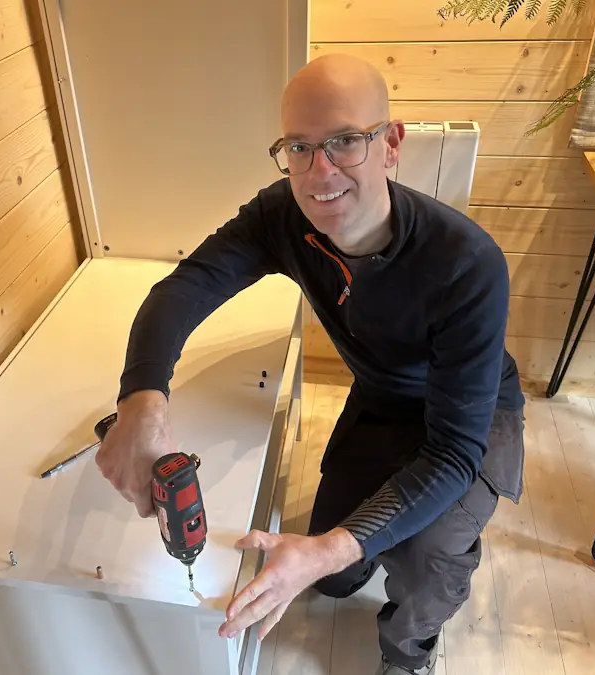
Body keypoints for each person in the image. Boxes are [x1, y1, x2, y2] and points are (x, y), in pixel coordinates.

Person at [95, 52, 525, 675]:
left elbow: (454, 453)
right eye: (298, 147)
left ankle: (410, 655)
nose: (320, 170)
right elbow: (183, 290)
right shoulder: (284, 216)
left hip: (473, 414)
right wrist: (141, 402)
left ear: (391, 144)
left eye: (345, 141)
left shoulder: (467, 263)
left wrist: (326, 547)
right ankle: (379, 542)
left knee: (427, 557)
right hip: (384, 397)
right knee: (336, 580)